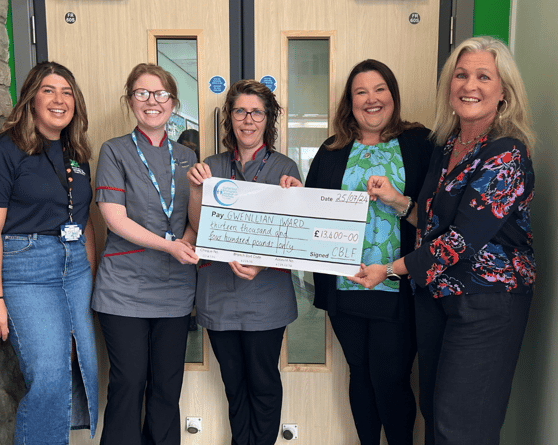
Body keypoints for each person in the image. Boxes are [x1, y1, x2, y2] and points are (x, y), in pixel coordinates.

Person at [349, 37, 536, 445]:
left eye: (484, 76)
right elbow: (434, 221)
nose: (470, 85)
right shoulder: (448, 145)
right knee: (434, 415)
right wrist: (399, 203)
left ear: (503, 92)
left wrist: (390, 270)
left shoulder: (506, 155)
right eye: (461, 75)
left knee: (460, 427)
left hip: (486, 303)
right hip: (436, 299)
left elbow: (459, 241)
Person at [294, 59, 433, 445]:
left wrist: (397, 199)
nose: (371, 99)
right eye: (360, 92)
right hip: (345, 285)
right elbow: (310, 214)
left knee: (390, 377)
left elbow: (436, 223)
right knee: (360, 372)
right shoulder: (333, 149)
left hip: (397, 283)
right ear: (349, 102)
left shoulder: (421, 144)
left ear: (393, 95)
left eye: (379, 89)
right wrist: (292, 195)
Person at [0, 61, 98, 444]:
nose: (59, 100)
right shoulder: (1, 151)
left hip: (74, 267)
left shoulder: (75, 152)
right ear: (31, 97)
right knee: (47, 375)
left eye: (67, 92)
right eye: (49, 90)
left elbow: (84, 219)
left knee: (76, 364)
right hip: (26, 270)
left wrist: (88, 280)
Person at [187, 79, 300, 445]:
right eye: (240, 111)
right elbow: (197, 227)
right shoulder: (210, 166)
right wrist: (195, 189)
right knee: (234, 385)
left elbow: (294, 234)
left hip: (265, 297)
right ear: (229, 118)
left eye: (256, 112)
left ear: (268, 119)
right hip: (218, 296)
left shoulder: (285, 168)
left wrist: (294, 201)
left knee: (263, 384)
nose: (247, 120)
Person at [92, 63, 198, 445]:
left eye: (161, 94)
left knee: (167, 386)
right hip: (125, 289)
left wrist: (185, 239)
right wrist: (171, 245)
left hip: (174, 289)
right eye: (141, 93)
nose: (152, 102)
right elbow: (114, 218)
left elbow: (196, 215)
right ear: (130, 100)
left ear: (173, 103)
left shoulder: (187, 157)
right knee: (129, 381)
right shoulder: (114, 151)